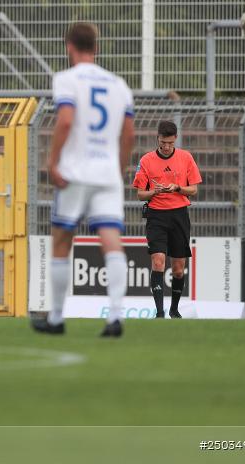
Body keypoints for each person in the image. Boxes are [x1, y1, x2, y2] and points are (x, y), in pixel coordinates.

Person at [32, 22, 135, 338]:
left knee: (62, 240)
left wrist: (52, 161)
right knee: (111, 241)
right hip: (107, 173)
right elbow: (129, 133)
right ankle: (115, 316)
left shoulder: (66, 79)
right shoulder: (119, 84)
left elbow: (65, 121)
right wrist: (117, 169)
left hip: (75, 172)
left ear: (69, 47)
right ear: (97, 48)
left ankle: (57, 318)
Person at [133, 121, 202, 319]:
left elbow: (194, 189)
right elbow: (140, 194)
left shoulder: (186, 157)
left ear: (175, 140)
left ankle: (174, 309)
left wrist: (177, 188)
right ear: (158, 138)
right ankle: (160, 313)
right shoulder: (146, 160)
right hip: (156, 215)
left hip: (179, 215)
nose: (166, 147)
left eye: (170, 143)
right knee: (158, 261)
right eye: (163, 142)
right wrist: (155, 191)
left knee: (179, 268)